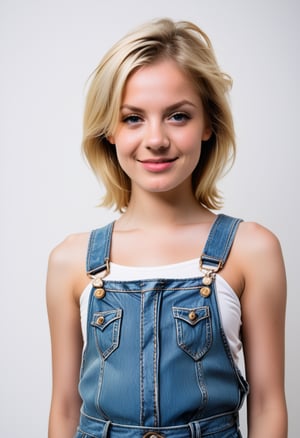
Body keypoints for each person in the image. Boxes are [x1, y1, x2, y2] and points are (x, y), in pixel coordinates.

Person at [46, 18, 287, 438]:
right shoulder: (71, 260)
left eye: (178, 116)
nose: (155, 139)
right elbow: (65, 408)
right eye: (133, 118)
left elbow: (268, 403)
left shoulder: (252, 250)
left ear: (208, 124)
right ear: (109, 130)